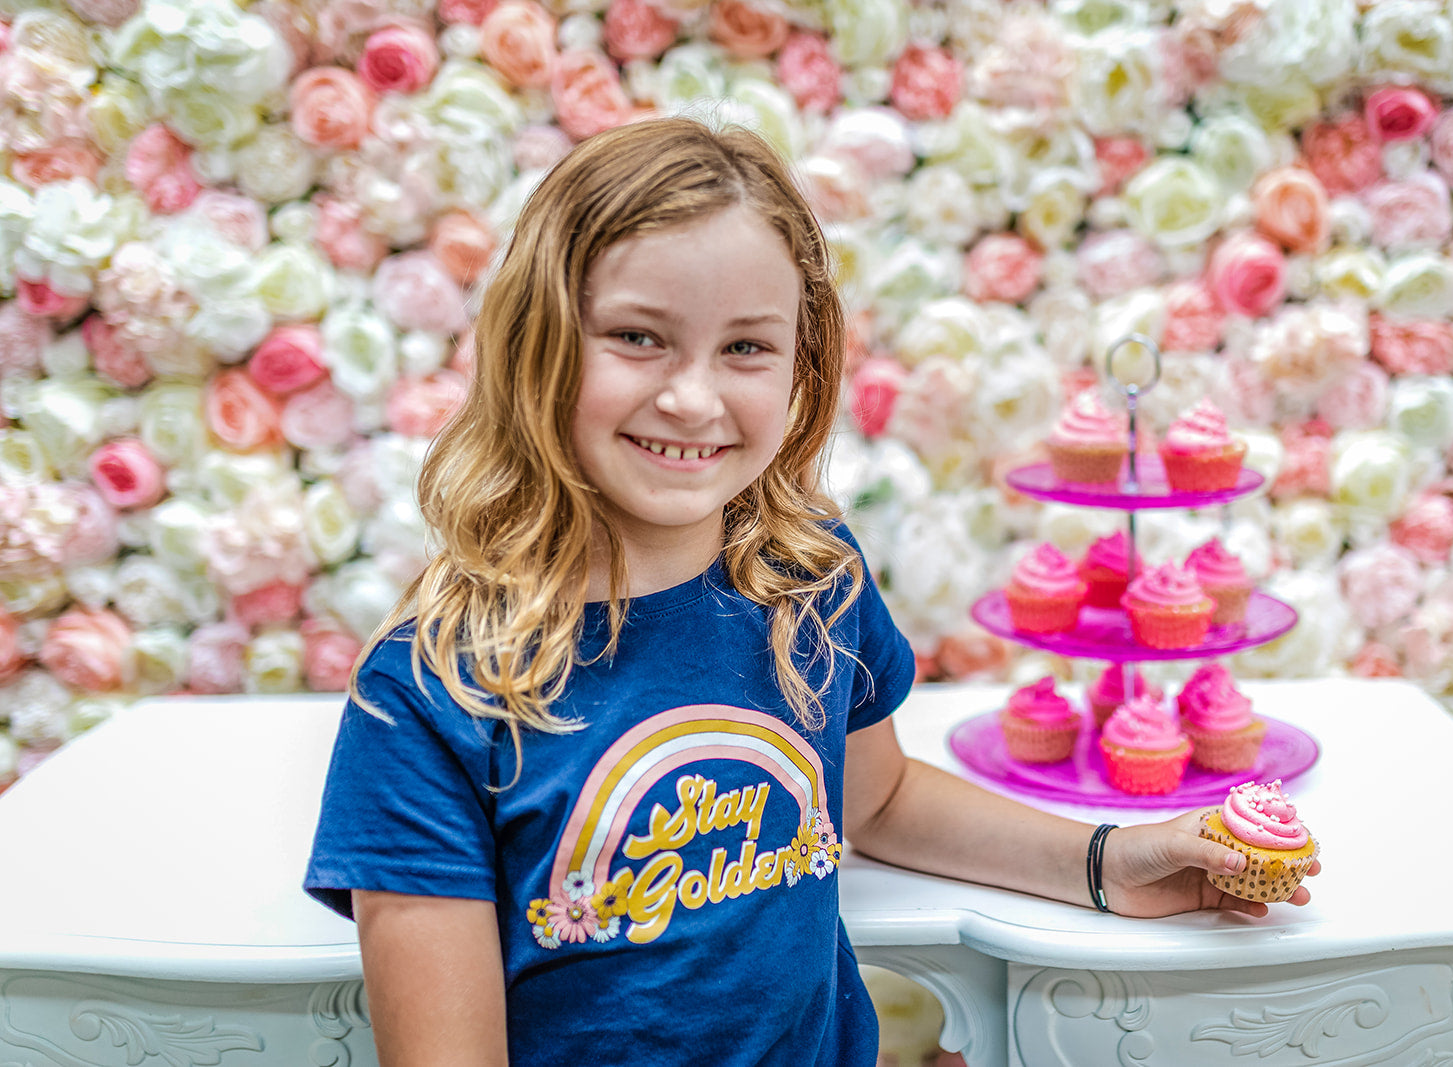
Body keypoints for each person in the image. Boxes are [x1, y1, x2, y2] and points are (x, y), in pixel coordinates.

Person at [304, 116, 1319, 1066]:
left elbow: (874, 796)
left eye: (745, 346)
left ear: (801, 368)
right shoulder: (429, 691)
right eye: (638, 336)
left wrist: (1111, 858)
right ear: (538, 344)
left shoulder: (803, 578)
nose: (693, 396)